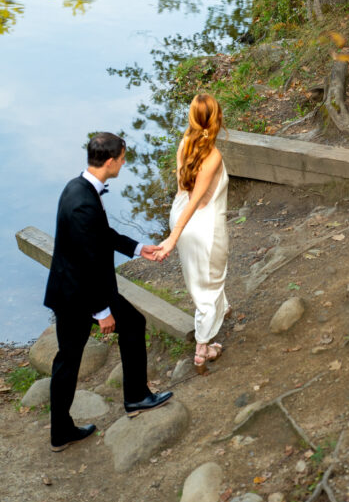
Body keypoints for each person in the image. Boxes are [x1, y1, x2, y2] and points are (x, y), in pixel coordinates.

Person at [44, 132, 172, 452]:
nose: (125, 163)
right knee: (69, 362)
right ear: (111, 161)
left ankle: (133, 398)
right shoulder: (83, 203)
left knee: (128, 328)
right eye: (123, 158)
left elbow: (103, 236)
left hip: (78, 288)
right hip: (78, 295)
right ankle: (133, 399)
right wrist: (101, 312)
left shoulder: (79, 187)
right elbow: (87, 262)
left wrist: (139, 248)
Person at [154, 94, 229, 374]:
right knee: (211, 278)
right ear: (218, 119)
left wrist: (175, 230)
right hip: (203, 224)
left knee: (199, 274)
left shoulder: (185, 143)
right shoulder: (213, 156)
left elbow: (183, 191)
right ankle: (202, 348)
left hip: (180, 212)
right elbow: (198, 199)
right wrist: (172, 237)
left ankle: (223, 306)